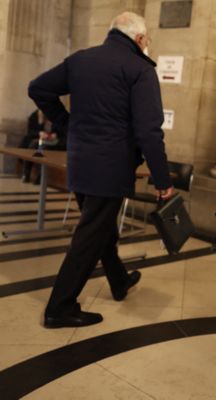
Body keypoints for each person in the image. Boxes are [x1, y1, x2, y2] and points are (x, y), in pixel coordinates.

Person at [28, 12, 173, 328]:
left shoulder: (81, 59)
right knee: (90, 236)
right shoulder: (139, 69)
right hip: (112, 167)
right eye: (147, 39)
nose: (147, 44)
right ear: (138, 39)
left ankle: (118, 280)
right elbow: (149, 131)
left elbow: (38, 88)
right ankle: (59, 308)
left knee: (99, 226)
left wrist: (68, 125)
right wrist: (163, 179)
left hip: (80, 162)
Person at [20, 109, 67, 183]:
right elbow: (30, 132)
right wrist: (40, 129)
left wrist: (55, 135)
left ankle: (39, 175)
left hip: (56, 142)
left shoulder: (58, 116)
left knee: (41, 147)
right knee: (35, 145)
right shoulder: (35, 116)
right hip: (40, 141)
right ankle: (27, 173)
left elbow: (63, 131)